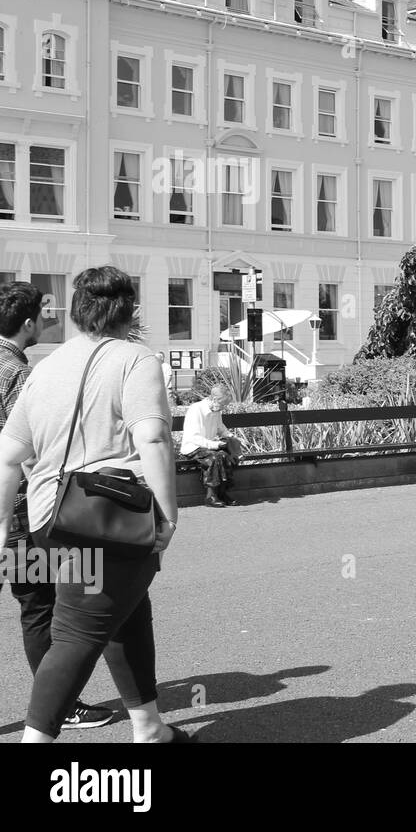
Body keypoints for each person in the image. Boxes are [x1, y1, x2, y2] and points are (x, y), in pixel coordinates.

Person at [0, 266, 188, 742]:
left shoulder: (43, 368)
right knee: (77, 635)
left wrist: (2, 523)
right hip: (108, 520)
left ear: (77, 312)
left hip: (50, 516)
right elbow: (154, 435)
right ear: (129, 312)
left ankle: (148, 726)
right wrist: (169, 514)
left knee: (127, 613)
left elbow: (8, 456)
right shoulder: (135, 359)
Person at [0, 282, 115, 730]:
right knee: (41, 605)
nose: (50, 319)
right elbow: (30, 450)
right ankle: (61, 704)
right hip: (21, 508)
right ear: (28, 323)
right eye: (45, 313)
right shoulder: (17, 374)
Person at [180, 383, 239, 507]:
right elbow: (194, 437)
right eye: (223, 404)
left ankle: (222, 493)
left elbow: (220, 428)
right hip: (192, 447)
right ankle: (210, 496)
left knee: (225, 455)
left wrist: (231, 437)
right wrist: (215, 445)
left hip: (208, 446)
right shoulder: (196, 409)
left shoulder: (216, 410)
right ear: (215, 399)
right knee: (215, 457)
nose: (223, 407)